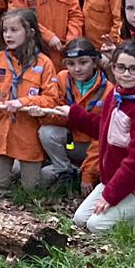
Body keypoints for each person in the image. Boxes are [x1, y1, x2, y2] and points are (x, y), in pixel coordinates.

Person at [42, 41, 135, 233]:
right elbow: (103, 130)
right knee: (79, 219)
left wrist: (110, 196)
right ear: (113, 68)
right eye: (121, 67)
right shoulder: (116, 95)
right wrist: (73, 113)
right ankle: (122, 208)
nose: (126, 74)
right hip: (113, 179)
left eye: (134, 69)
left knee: (97, 226)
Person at [0, 10, 57, 190]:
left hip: (28, 137)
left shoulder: (44, 63)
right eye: (5, 30)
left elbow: (51, 99)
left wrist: (24, 102)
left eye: (14, 30)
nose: (8, 35)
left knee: (31, 190)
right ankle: (13, 168)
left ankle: (52, 171)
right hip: (2, 135)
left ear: (30, 32)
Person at [41, 37, 110, 191]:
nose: (77, 69)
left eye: (83, 62)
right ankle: (65, 173)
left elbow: (102, 136)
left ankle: (88, 172)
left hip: (97, 147)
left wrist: (88, 175)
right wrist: (41, 114)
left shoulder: (108, 90)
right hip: (73, 140)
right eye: (71, 64)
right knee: (46, 131)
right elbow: (54, 112)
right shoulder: (62, 78)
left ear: (94, 62)